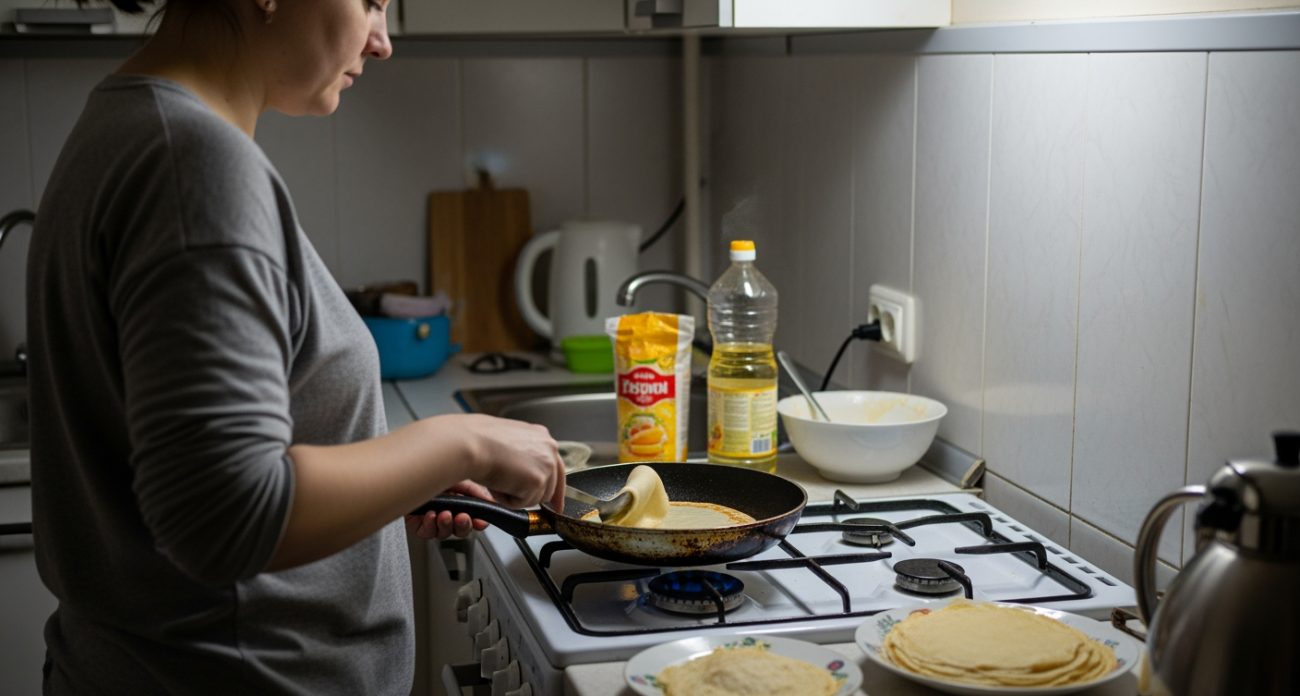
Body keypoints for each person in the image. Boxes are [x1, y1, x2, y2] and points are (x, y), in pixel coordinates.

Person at [24, 1, 565, 693]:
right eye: (369, 1)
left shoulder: (127, 124)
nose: (382, 41)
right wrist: (461, 442)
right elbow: (229, 517)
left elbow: (193, 475)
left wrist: (390, 481)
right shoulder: (193, 166)